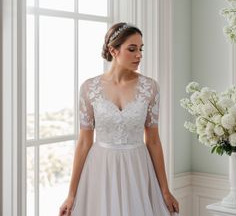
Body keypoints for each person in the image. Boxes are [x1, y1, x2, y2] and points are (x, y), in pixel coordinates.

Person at [59, 22, 179, 216]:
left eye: (141, 49)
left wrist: (165, 190)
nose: (139, 54)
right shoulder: (89, 88)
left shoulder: (150, 87)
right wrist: (71, 194)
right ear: (113, 50)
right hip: (100, 168)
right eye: (132, 49)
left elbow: (154, 141)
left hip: (138, 167)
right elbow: (84, 142)